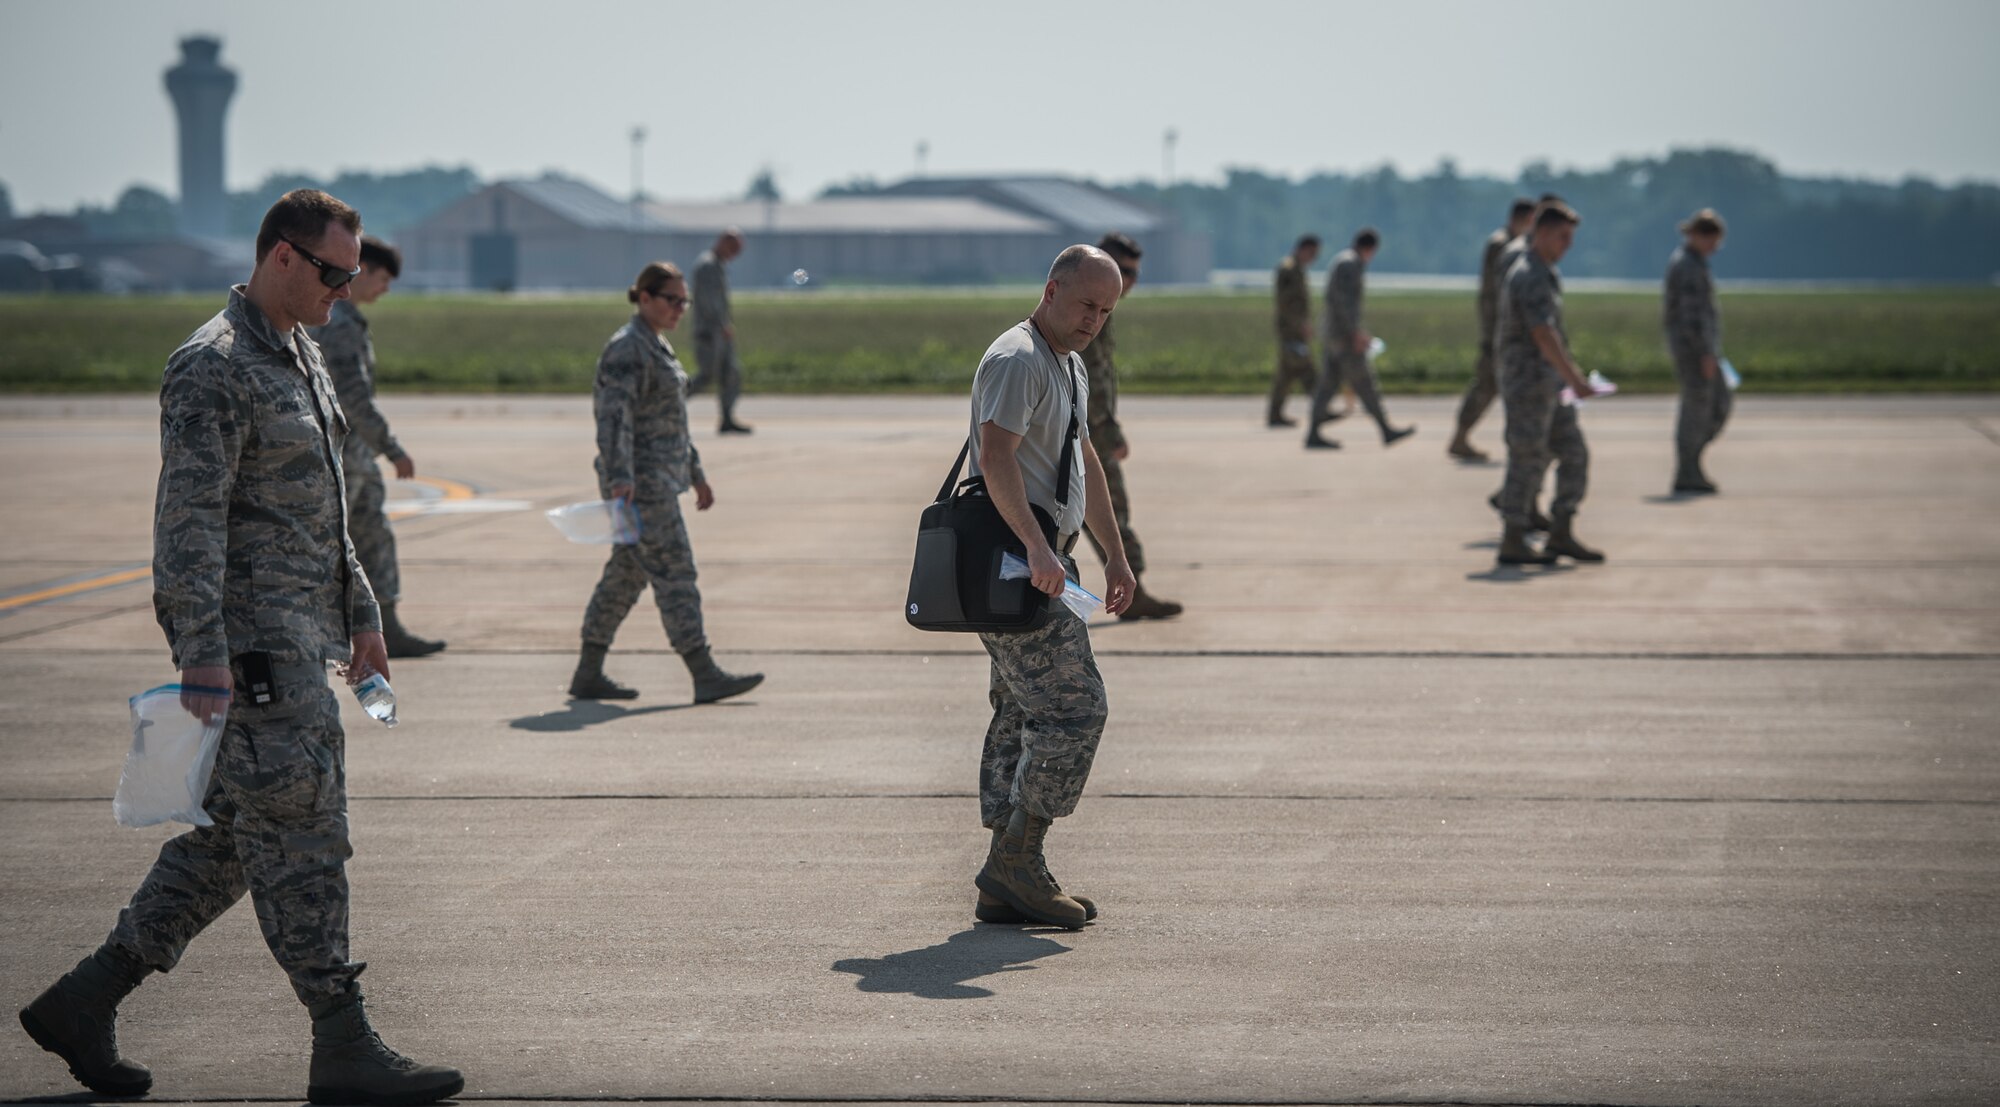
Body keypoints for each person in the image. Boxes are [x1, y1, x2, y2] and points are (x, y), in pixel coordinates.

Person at [17, 190, 462, 1105]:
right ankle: (342, 1040)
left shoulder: (304, 351)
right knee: (307, 833)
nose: (346, 289)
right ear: (283, 258)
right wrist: (203, 656)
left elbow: (327, 509)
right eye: (334, 272)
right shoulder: (212, 366)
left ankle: (83, 1000)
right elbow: (186, 526)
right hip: (255, 655)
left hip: (305, 636)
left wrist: (365, 616)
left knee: (228, 841)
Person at [965, 245, 1136, 929]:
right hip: (1016, 561)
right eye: (1087, 303)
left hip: (1043, 560)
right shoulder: (1018, 358)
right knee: (1075, 710)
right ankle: (1017, 859)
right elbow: (995, 451)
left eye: (1106, 310)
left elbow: (1084, 458)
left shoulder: (1066, 361)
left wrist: (1115, 555)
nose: (1095, 319)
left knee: (1018, 712)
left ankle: (1007, 878)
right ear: (1051, 289)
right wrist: (1038, 548)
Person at [567, 262, 764, 704]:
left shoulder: (656, 345)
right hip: (642, 485)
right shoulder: (627, 350)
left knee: (627, 574)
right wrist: (620, 478)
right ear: (644, 298)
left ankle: (588, 671)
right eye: (672, 300)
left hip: (660, 476)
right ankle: (703, 670)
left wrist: (696, 474)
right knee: (676, 572)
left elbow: (669, 421)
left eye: (684, 301)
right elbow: (613, 420)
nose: (681, 308)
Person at [308, 235, 445, 658]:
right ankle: (350, 631)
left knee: (366, 540)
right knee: (348, 543)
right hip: (346, 456)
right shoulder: (341, 324)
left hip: (349, 455)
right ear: (361, 269)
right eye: (382, 277)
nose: (385, 288)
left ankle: (379, 628)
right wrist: (392, 447)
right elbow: (354, 399)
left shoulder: (338, 319)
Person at [1493, 202, 1604, 566]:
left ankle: (1561, 531)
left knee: (1573, 452)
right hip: (1529, 385)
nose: (1568, 244)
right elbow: (1543, 333)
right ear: (1540, 233)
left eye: (1570, 237)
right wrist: (1575, 379)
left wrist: (1566, 380)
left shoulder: (1545, 271)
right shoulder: (1530, 274)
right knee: (1526, 457)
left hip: (1549, 384)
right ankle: (1513, 536)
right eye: (1562, 236)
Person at [1079, 232, 1182, 620]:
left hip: (1092, 434)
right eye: (1122, 270)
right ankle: (1128, 590)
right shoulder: (1084, 313)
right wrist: (1108, 431)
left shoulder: (1102, 312)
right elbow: (1086, 386)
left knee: (1099, 515)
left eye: (1133, 274)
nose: (1128, 281)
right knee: (1108, 513)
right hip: (1085, 438)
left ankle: (1128, 589)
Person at [1304, 228, 1414, 450]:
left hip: (1334, 335)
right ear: (1370, 248)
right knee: (1365, 383)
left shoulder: (1344, 261)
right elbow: (1344, 304)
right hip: (1343, 337)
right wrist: (1355, 333)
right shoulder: (1350, 265)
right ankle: (1385, 429)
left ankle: (1313, 432)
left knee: (1327, 386)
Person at [1449, 198, 1536, 462]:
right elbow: (1503, 293)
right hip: (1499, 329)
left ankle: (1461, 436)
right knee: (1488, 384)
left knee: (1490, 385)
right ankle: (1461, 436)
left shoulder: (1505, 242)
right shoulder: (1504, 245)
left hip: (1499, 327)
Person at [1665, 208, 1730, 494]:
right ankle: (1687, 469)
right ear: (1700, 236)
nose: (1715, 248)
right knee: (1698, 409)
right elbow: (1693, 317)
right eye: (1713, 241)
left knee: (1714, 404)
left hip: (1700, 351)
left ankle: (1691, 466)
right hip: (1695, 352)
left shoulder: (1693, 262)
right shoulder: (1688, 266)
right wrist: (1705, 353)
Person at [688, 228, 750, 434]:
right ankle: (667, 404)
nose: (735, 254)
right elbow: (707, 301)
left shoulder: (718, 266)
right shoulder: (707, 266)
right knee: (706, 375)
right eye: (733, 248)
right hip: (709, 332)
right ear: (723, 243)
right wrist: (720, 324)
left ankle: (727, 418)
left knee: (730, 374)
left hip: (720, 332)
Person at [1267, 234, 1321, 427]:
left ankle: (1275, 414)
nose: (1314, 258)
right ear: (1304, 248)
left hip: (1294, 330)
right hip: (1291, 331)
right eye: (1313, 253)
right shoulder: (1289, 269)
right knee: (1307, 370)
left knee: (1287, 373)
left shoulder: (1296, 269)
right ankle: (1321, 408)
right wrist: (1301, 325)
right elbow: (1287, 304)